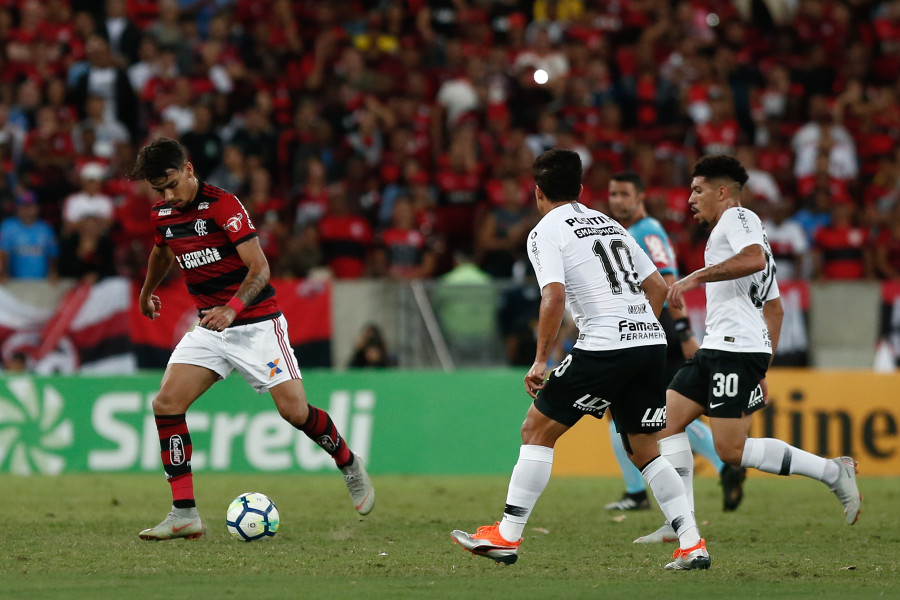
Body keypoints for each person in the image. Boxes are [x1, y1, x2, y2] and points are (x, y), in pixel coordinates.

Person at [451, 149, 710, 570]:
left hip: (606, 344)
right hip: (650, 342)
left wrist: (540, 360)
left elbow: (553, 296)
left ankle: (507, 536)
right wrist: (636, 329)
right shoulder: (610, 223)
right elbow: (659, 288)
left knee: (536, 430)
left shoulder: (545, 231)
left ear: (538, 192)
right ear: (581, 189)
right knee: (645, 449)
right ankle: (692, 543)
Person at [131, 138, 374, 540]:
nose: (168, 196)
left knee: (294, 412)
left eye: (172, 185)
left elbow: (260, 268)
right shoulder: (163, 214)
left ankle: (347, 461)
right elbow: (163, 252)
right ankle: (184, 513)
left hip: (257, 322)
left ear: (189, 169)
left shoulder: (223, 206)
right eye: (160, 190)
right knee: (166, 404)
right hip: (211, 326)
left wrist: (232, 309)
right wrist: (146, 292)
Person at [635, 154, 860, 546]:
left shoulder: (739, 218)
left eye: (698, 190)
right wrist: (763, 367)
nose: (690, 199)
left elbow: (753, 260)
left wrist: (693, 278)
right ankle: (679, 521)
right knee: (666, 424)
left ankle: (831, 471)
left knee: (730, 450)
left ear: (723, 192)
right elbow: (775, 309)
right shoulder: (741, 232)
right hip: (721, 347)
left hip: (734, 350)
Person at [605, 172, 747, 514]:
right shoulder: (624, 231)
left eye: (624, 194)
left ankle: (722, 465)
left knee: (664, 411)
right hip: (641, 328)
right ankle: (639, 491)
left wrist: (683, 333)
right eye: (612, 194)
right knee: (623, 409)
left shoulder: (648, 231)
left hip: (659, 328)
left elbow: (668, 279)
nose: (617, 200)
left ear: (640, 197)